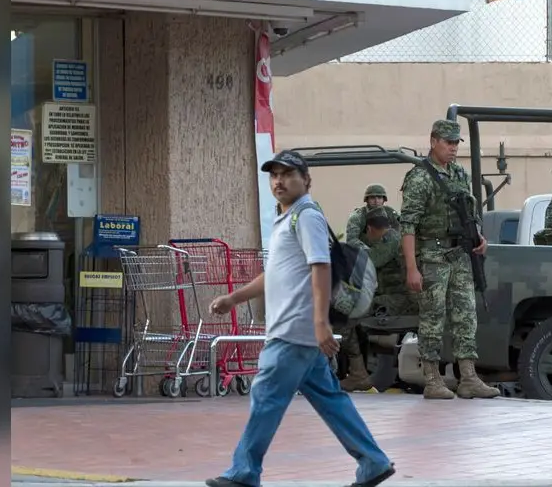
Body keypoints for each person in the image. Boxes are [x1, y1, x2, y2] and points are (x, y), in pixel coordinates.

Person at [204, 150, 395, 487]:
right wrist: (234, 298)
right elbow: (275, 274)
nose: (279, 181)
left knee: (266, 396)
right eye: (274, 175)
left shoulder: (305, 216)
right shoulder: (288, 218)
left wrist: (320, 323)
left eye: (288, 174)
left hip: (294, 331)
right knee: (331, 400)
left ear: (306, 181)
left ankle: (244, 472)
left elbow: (319, 267)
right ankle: (373, 461)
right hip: (299, 332)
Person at [399, 119, 500, 400]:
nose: (453, 148)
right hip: (433, 254)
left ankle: (468, 376)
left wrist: (479, 236)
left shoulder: (459, 173)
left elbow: (470, 210)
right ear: (433, 142)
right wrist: (412, 268)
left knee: (466, 315)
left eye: (456, 143)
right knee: (433, 318)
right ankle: (432, 379)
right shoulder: (419, 178)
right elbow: (407, 225)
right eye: (448, 142)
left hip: (460, 254)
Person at [339, 206, 418, 392]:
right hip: (392, 297)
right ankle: (357, 371)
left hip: (402, 300)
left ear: (370, 229)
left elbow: (371, 261)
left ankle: (358, 373)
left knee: (346, 316)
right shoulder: (391, 238)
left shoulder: (391, 239)